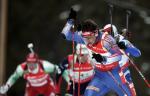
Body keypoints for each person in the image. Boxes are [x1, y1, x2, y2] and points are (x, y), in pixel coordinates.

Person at [61, 8, 133, 96]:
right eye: (84, 36)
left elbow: (118, 55)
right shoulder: (85, 39)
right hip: (101, 75)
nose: (86, 40)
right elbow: (65, 34)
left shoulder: (107, 40)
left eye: (89, 37)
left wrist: (104, 58)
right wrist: (70, 22)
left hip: (117, 73)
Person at [103, 24, 141, 96]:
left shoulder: (123, 41)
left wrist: (127, 48)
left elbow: (137, 53)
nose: (107, 35)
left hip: (123, 71)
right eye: (105, 32)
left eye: (108, 32)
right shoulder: (104, 42)